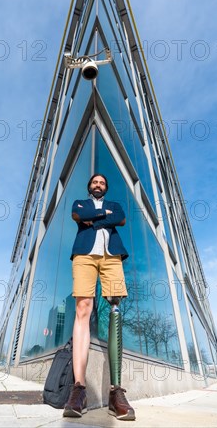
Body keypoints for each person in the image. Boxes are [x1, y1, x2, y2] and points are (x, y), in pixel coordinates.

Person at [63, 173, 136, 421]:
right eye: (95, 182)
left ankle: (116, 393)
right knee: (83, 308)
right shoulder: (79, 203)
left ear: (105, 188)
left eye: (102, 183)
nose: (98, 185)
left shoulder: (113, 206)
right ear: (89, 186)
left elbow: (121, 219)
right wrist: (103, 218)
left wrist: (98, 218)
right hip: (84, 255)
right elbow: (78, 216)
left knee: (115, 308)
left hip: (111, 257)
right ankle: (79, 388)